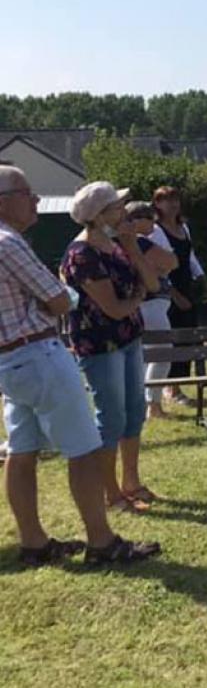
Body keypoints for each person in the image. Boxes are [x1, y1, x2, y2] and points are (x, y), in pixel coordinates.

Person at [0, 165, 159, 565]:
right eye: (27, 192)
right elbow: (60, 299)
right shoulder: (9, 243)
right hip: (39, 354)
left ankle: (34, 543)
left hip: (9, 361)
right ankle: (102, 542)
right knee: (84, 449)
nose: (36, 199)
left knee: (22, 450)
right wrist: (49, 301)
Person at [62, 182, 162, 512]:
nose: (124, 212)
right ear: (98, 215)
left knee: (133, 412)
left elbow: (153, 284)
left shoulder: (117, 245)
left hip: (128, 339)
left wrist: (133, 248)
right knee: (112, 418)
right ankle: (112, 495)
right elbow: (115, 308)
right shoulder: (81, 254)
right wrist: (136, 299)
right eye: (117, 207)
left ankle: (131, 481)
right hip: (100, 347)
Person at [151, 186, 207, 408]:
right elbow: (158, 265)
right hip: (168, 290)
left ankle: (178, 384)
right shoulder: (156, 230)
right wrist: (173, 294)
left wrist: (203, 280)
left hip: (186, 285)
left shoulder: (183, 227)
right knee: (172, 338)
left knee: (188, 336)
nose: (172, 204)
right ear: (157, 204)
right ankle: (171, 388)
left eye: (175, 199)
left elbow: (190, 257)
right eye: (166, 200)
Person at [126, 202, 178, 420]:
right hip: (151, 306)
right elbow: (171, 261)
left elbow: (169, 264)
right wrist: (157, 268)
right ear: (135, 220)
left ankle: (146, 403)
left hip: (147, 306)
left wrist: (156, 267)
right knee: (162, 354)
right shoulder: (139, 243)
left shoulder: (131, 243)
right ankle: (153, 406)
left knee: (147, 356)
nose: (154, 222)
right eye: (148, 217)